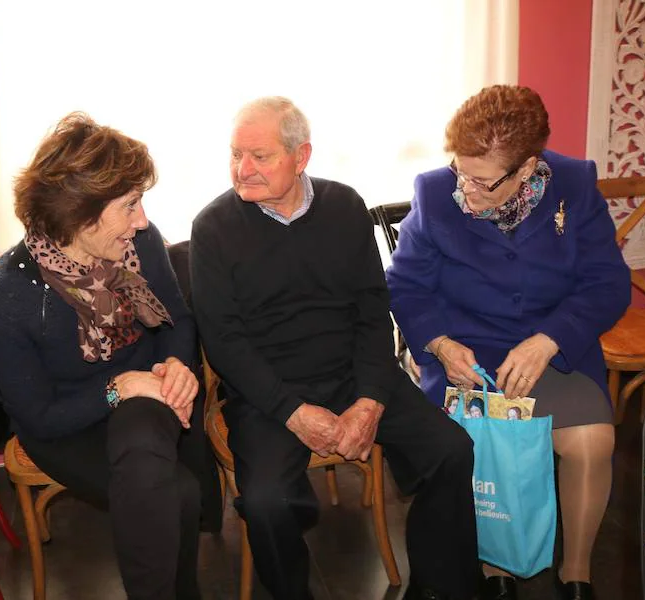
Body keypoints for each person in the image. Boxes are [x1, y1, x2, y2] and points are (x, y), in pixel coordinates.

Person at [190, 96, 479, 600]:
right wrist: (294, 413)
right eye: (235, 154)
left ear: (301, 156)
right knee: (265, 502)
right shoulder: (213, 227)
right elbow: (224, 342)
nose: (243, 169)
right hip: (269, 389)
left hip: (353, 373)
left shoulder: (344, 206)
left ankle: (436, 587)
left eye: (260, 156)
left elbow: (372, 311)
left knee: (452, 450)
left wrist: (369, 400)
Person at [387, 85, 630, 600]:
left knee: (591, 441)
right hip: (468, 357)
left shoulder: (574, 184)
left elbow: (608, 284)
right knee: (471, 448)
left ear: (527, 168)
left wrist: (550, 339)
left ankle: (577, 573)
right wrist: (439, 344)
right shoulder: (434, 193)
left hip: (553, 351)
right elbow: (406, 285)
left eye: (481, 181)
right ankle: (493, 562)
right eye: (460, 171)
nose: (465, 191)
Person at [0, 112, 202, 600]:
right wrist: (118, 388)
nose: (143, 220)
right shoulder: (11, 294)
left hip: (146, 396)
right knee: (178, 494)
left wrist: (176, 366)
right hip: (64, 425)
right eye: (130, 205)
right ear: (80, 213)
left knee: (144, 442)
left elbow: (176, 321)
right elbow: (36, 416)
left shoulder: (137, 241)